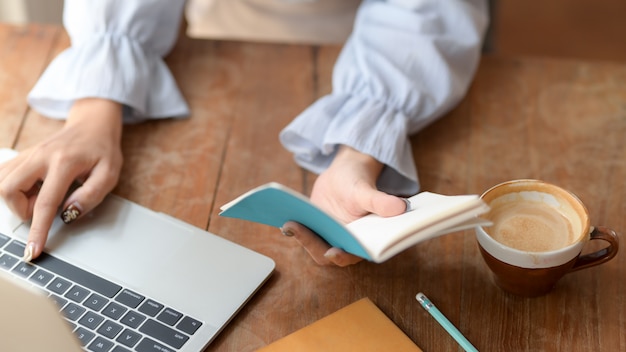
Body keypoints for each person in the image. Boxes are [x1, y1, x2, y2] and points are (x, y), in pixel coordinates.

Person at [0, 0, 489, 266]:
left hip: (383, 44)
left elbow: (428, 9)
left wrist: (357, 153)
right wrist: (94, 108)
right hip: (214, 36)